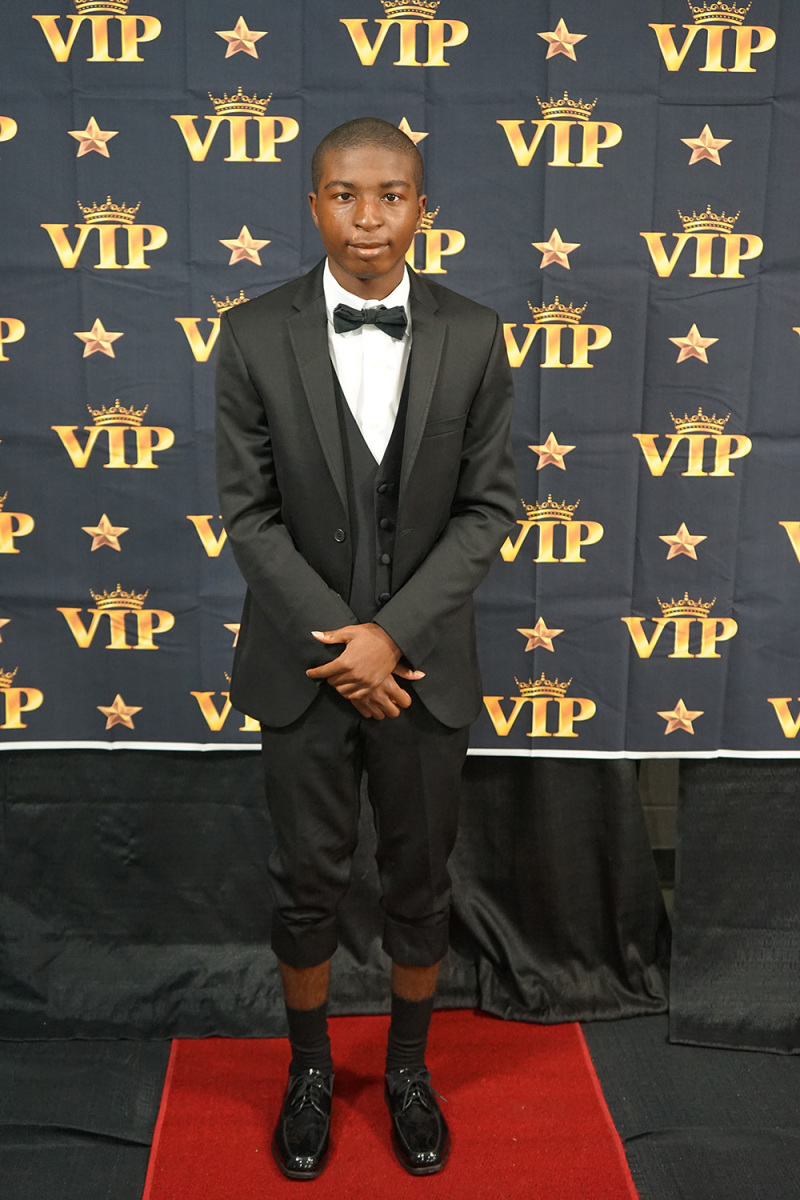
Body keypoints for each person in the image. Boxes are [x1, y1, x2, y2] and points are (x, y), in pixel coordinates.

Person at [215, 117, 516, 1180]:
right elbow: (248, 516)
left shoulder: (476, 334)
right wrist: (344, 646)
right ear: (313, 206)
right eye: (344, 195)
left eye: (391, 194)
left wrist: (391, 637)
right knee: (304, 883)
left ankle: (406, 1070)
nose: (368, 217)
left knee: (419, 885)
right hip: (300, 674)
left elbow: (489, 508)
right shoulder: (252, 333)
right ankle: (307, 1072)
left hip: (424, 673)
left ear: (422, 207)